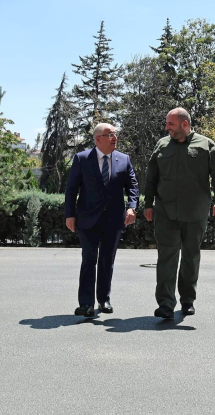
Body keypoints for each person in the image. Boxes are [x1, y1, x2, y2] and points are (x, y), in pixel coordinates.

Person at [144, 108, 215, 320]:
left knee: (190, 257)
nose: (167, 128)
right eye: (167, 124)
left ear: (184, 124)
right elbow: (151, 176)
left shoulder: (206, 144)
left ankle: (187, 299)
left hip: (195, 212)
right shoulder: (162, 145)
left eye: (170, 124)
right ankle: (165, 304)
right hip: (165, 212)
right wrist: (148, 204)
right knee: (166, 257)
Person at [64, 123, 139, 318]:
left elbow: (132, 186)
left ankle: (104, 299)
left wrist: (132, 207)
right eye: (110, 134)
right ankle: (86, 304)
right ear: (98, 139)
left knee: (107, 260)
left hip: (114, 219)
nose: (115, 137)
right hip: (88, 219)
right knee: (89, 259)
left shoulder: (124, 159)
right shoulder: (82, 158)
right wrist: (69, 214)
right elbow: (71, 189)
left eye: (115, 134)